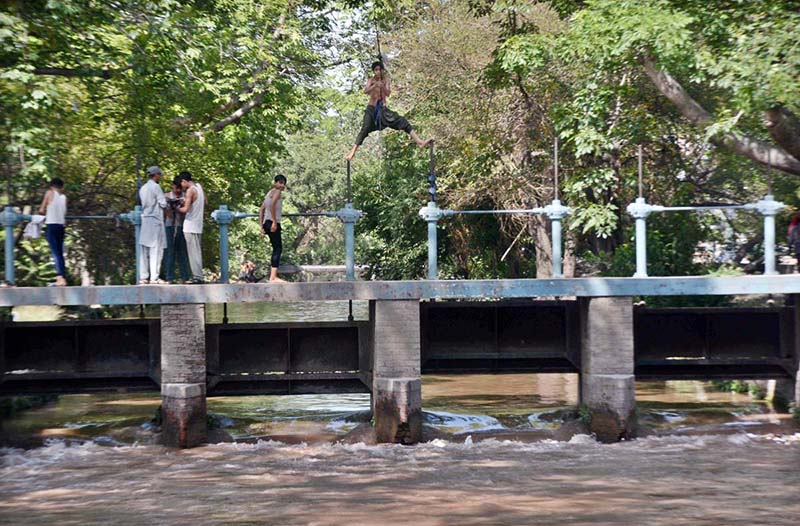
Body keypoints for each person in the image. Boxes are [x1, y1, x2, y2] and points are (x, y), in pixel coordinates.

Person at [345, 61, 431, 161]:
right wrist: (375, 85)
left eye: (379, 70)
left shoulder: (386, 80)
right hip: (371, 109)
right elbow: (366, 91)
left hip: (382, 110)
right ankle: (352, 152)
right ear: (374, 71)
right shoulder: (371, 80)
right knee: (365, 128)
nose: (378, 72)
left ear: (382, 71)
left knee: (401, 120)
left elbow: (388, 93)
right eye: (376, 70)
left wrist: (382, 87)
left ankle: (419, 142)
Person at [138, 166, 168, 285]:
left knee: (144, 249)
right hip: (155, 220)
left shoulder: (143, 188)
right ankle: (154, 277)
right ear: (155, 175)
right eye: (159, 175)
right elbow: (163, 203)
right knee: (156, 250)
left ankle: (143, 277)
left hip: (145, 220)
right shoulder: (156, 187)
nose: (160, 177)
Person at [177, 171, 206, 284]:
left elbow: (185, 209)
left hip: (190, 225)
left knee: (192, 252)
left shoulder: (190, 191)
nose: (181, 186)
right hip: (198, 225)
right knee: (197, 251)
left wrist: (176, 208)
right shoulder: (199, 187)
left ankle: (197, 277)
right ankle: (199, 275)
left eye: (182, 183)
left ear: (184, 181)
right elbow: (204, 201)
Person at [38, 177, 68, 286]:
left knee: (55, 253)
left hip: (51, 225)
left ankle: (60, 278)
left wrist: (46, 211)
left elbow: (41, 210)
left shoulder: (49, 193)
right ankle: (62, 278)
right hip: (61, 226)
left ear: (51, 186)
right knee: (59, 253)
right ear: (62, 187)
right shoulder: (63, 197)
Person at [259, 175, 287, 282]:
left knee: (275, 248)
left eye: (283, 183)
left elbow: (261, 209)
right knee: (278, 248)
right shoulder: (277, 192)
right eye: (280, 182)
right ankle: (273, 277)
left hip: (266, 222)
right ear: (275, 183)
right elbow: (272, 205)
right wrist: (274, 222)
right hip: (272, 223)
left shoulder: (268, 193)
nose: (282, 185)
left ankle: (273, 276)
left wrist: (261, 226)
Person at [163, 176, 191, 283]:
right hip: (169, 226)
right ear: (172, 187)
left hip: (181, 226)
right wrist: (169, 206)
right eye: (176, 188)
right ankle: (169, 277)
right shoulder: (166, 196)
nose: (178, 191)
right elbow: (166, 214)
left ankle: (185, 277)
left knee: (182, 252)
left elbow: (187, 210)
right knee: (169, 251)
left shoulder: (185, 197)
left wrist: (181, 205)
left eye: (180, 188)